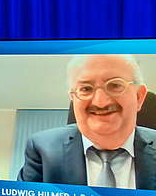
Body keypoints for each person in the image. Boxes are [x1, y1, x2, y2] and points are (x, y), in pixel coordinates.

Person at [18, 54, 156, 188]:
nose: (100, 102)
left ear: (139, 97)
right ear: (73, 98)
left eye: (115, 85)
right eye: (86, 89)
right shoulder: (41, 149)